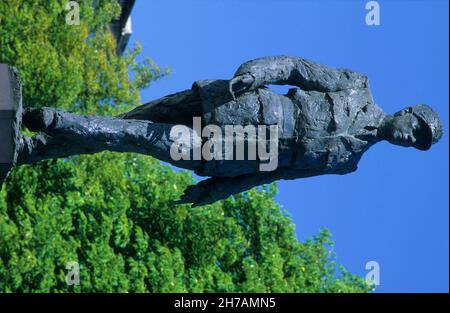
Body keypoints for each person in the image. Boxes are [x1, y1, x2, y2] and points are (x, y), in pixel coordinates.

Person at [16, 56, 443, 206]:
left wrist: (218, 189)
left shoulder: (347, 163)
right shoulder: (357, 86)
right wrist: (257, 71)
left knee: (135, 137)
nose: (411, 138)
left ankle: (52, 120)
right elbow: (295, 67)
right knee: (129, 121)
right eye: (416, 129)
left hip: (239, 151)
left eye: (418, 143)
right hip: (239, 101)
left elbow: (277, 174)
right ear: (407, 112)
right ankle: (33, 149)